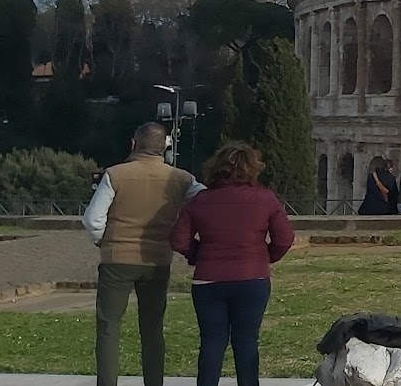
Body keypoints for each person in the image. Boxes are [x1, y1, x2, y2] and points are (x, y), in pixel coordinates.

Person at [82, 122, 205, 386]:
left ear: (134, 144)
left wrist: (102, 240)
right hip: (158, 260)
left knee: (109, 327)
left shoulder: (115, 174)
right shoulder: (180, 178)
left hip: (117, 259)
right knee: (152, 329)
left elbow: (92, 219)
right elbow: (206, 203)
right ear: (165, 148)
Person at [169, 143, 294, 386]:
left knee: (211, 343)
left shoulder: (201, 200)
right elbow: (285, 238)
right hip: (252, 277)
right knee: (247, 342)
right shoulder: (265, 198)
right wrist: (265, 256)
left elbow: (178, 239)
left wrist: (198, 254)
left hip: (208, 279)